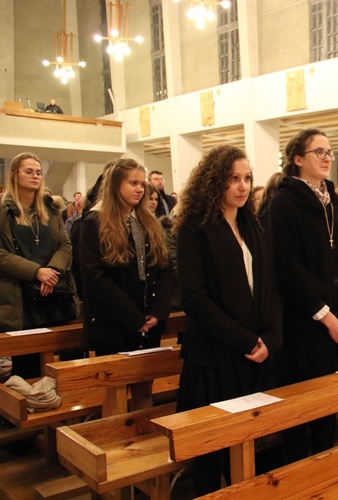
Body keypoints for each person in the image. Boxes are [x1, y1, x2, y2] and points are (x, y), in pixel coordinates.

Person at [174, 145, 281, 494]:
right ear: (214, 181)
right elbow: (195, 298)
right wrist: (246, 340)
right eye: (233, 178)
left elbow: (270, 286)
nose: (242, 186)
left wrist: (269, 338)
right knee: (212, 449)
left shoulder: (252, 223)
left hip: (254, 351)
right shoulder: (196, 227)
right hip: (215, 356)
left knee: (249, 442)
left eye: (247, 178)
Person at [268, 129, 338, 461]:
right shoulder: (283, 202)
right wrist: (328, 318)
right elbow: (287, 268)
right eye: (318, 152)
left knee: (330, 408)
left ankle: (326, 474)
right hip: (305, 324)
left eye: (329, 153)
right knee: (302, 410)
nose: (326, 158)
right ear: (298, 160)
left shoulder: (333, 200)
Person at [79, 159, 176, 410]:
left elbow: (166, 269)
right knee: (115, 393)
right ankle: (116, 446)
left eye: (141, 184)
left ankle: (144, 445)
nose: (140, 189)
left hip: (147, 316)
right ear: (115, 185)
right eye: (132, 183)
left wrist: (157, 311)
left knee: (144, 388)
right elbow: (94, 278)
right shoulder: (94, 221)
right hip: (114, 321)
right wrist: (134, 318)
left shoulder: (148, 220)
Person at [0, 152, 74, 380]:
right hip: (19, 296)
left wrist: (52, 271)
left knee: (60, 365)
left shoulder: (50, 209)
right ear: (14, 174)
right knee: (26, 367)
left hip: (52, 290)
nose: (35, 176)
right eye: (28, 171)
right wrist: (36, 272)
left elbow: (65, 245)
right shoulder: (4, 211)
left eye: (39, 172)